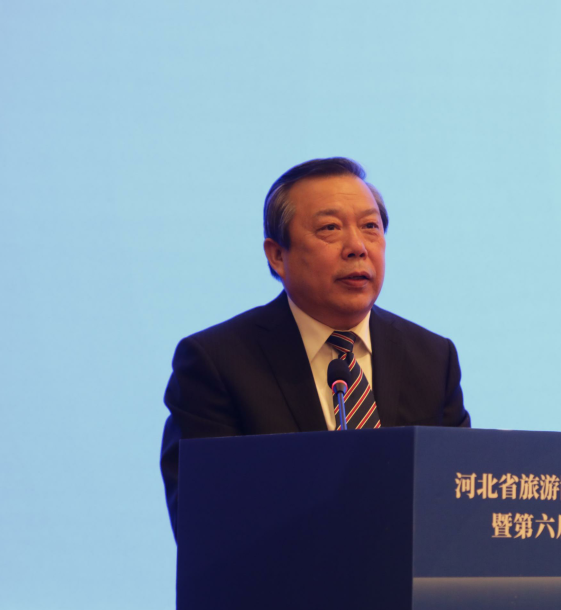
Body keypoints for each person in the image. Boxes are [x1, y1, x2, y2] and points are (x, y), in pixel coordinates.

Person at [159, 157, 471, 538]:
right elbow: (205, 524)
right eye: (330, 228)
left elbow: (459, 503)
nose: (357, 247)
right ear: (277, 255)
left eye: (370, 227)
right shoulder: (216, 363)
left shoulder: (433, 359)